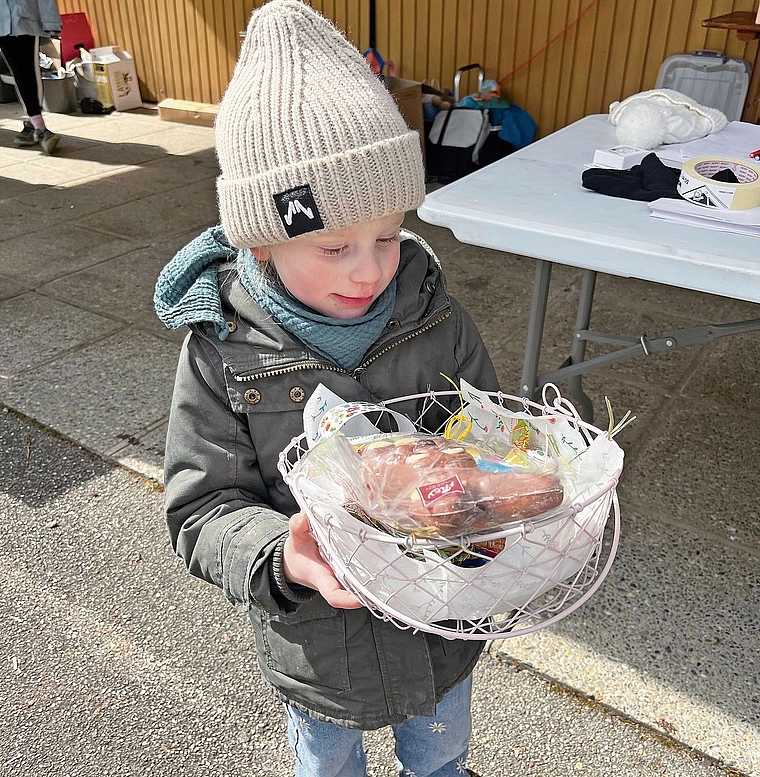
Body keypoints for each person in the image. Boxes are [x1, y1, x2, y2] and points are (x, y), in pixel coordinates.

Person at [154, 2, 499, 775]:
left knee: (442, 754)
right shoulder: (223, 351)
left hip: (438, 626)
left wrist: (487, 490)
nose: (369, 268)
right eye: (334, 246)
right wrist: (283, 554)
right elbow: (202, 506)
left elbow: (484, 436)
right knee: (328, 763)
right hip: (318, 647)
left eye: (388, 234)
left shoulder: (435, 315)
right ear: (262, 241)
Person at [0, 0, 62, 153]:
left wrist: (51, 21)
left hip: (22, 20)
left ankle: (37, 125)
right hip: (9, 20)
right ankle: (34, 125)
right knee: (23, 73)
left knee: (25, 72)